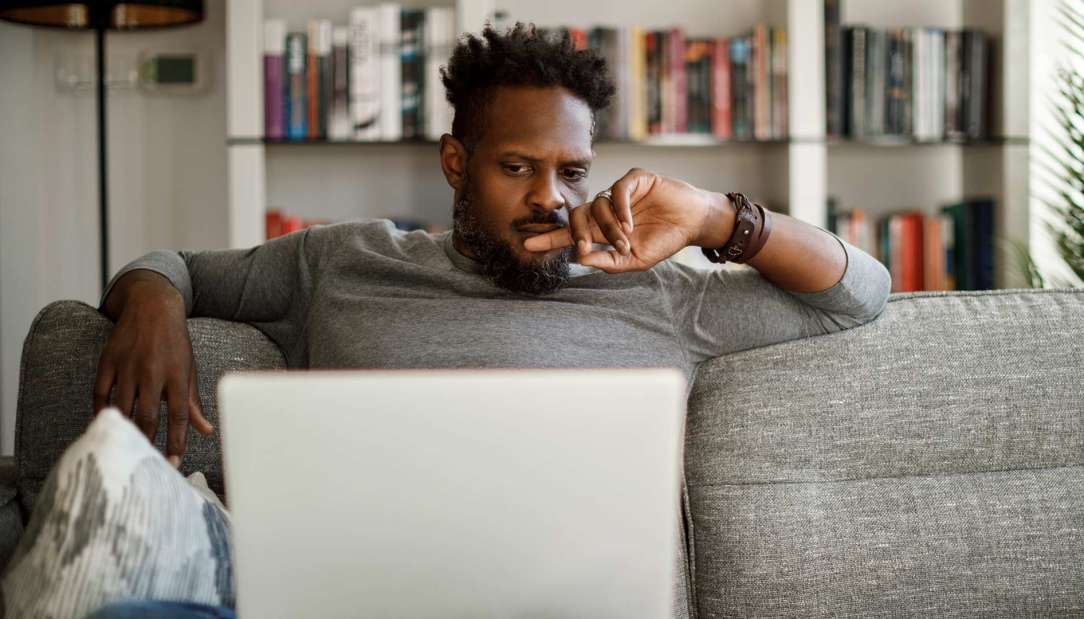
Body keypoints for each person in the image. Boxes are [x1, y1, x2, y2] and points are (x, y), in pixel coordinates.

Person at [91, 22, 891, 619]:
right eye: (517, 167)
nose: (552, 197)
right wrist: (156, 300)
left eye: (573, 172)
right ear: (456, 164)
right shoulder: (345, 262)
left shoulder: (656, 294)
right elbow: (175, 266)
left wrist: (719, 217)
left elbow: (859, 293)